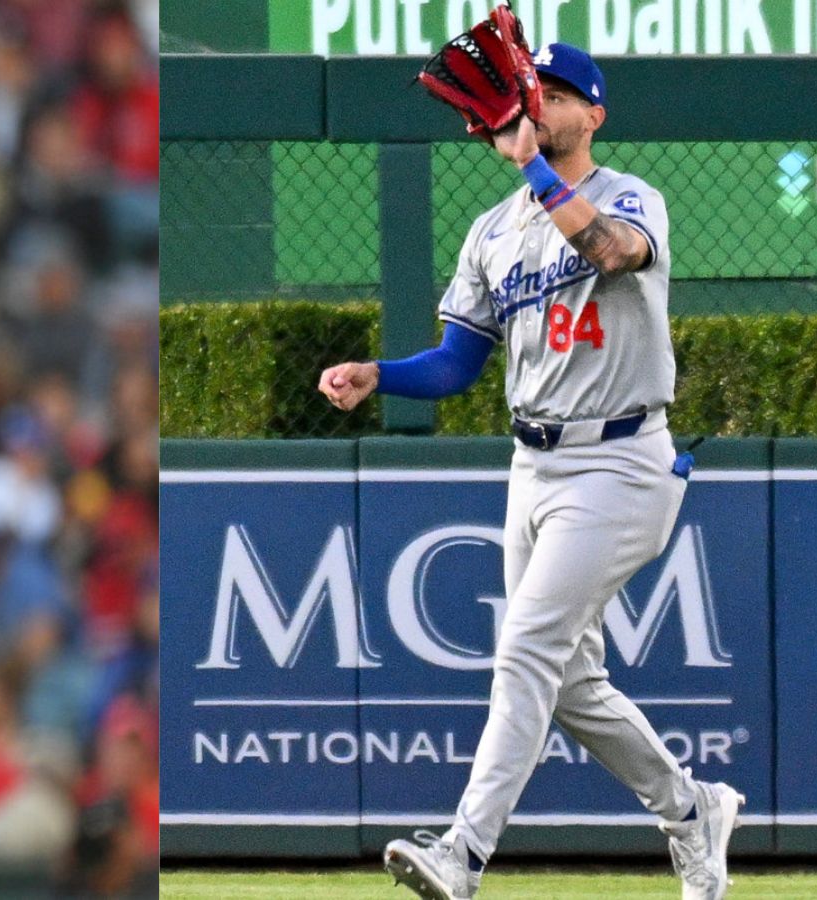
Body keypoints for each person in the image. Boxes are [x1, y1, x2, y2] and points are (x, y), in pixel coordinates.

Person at [318, 45, 742, 900]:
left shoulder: (631, 196)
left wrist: (536, 172)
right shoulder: (491, 233)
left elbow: (615, 253)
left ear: (594, 116)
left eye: (556, 95)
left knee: (524, 650)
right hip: (535, 465)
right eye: (529, 92)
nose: (538, 105)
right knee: (572, 681)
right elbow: (455, 362)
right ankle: (692, 811)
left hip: (622, 458)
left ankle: (463, 854)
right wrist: (379, 372)